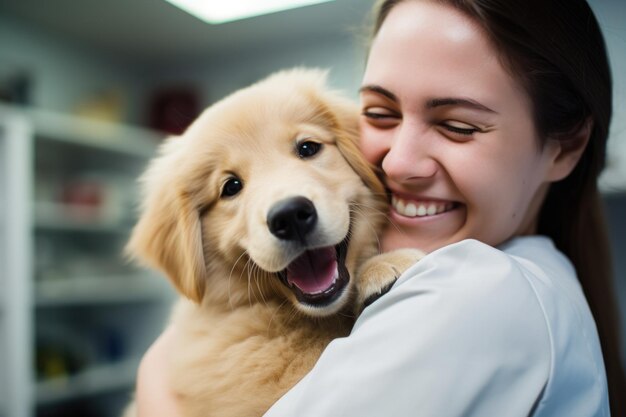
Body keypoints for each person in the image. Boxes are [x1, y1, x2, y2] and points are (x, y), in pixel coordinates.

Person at [135, 0, 626, 415]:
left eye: (458, 124)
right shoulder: (537, 273)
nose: (398, 163)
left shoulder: (479, 295)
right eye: (381, 115)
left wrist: (153, 380)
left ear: (563, 146)